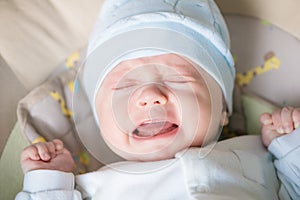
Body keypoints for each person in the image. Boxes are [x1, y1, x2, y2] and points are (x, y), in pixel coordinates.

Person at [16, 0, 300, 199]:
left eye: (178, 79)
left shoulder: (259, 158)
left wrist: (291, 148)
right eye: (124, 87)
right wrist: (48, 182)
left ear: (223, 109)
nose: (150, 97)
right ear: (101, 122)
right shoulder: (85, 187)